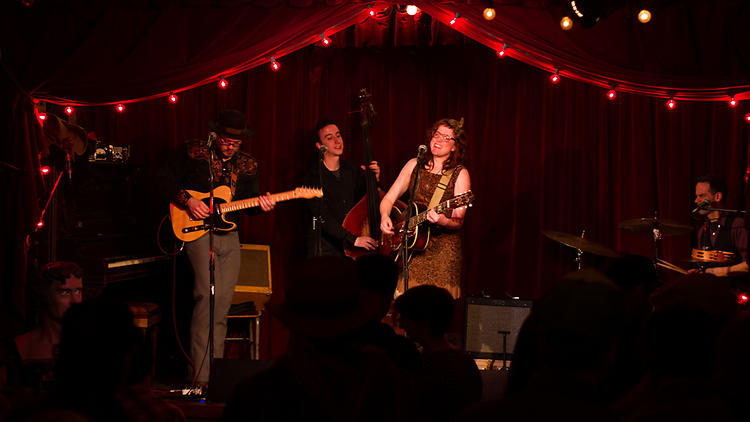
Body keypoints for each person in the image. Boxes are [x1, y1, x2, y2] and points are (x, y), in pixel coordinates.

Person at [159, 109, 275, 384]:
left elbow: (247, 202)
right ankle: (199, 378)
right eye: (226, 139)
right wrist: (188, 200)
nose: (230, 145)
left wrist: (263, 205)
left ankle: (215, 379)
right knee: (205, 301)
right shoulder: (193, 151)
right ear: (216, 135)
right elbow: (163, 179)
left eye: (236, 142)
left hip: (229, 234)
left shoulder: (248, 165)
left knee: (221, 307)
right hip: (197, 231)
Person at [379, 118, 471, 298]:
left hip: (442, 252)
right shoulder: (414, 164)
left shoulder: (460, 174)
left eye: (446, 138)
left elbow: (458, 220)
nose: (438, 140)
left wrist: (444, 220)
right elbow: (389, 198)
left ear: (454, 146)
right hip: (411, 249)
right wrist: (384, 216)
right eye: (437, 135)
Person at [302, 118, 380, 257]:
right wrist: (353, 239)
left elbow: (366, 201)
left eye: (338, 135)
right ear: (320, 146)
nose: (337, 141)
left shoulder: (351, 170)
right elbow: (322, 216)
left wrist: (375, 180)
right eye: (329, 138)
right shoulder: (313, 176)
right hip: (326, 248)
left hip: (350, 247)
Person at [14, 261, 84, 362]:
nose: (75, 300)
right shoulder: (22, 345)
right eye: (65, 292)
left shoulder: (90, 343)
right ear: (46, 296)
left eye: (78, 291)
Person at [691, 174, 748, 276]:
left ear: (717, 197)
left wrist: (717, 272)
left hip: (733, 288)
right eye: (696, 196)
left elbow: (747, 265)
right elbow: (705, 267)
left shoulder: (737, 225)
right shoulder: (702, 230)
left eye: (701, 196)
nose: (696, 201)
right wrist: (699, 272)